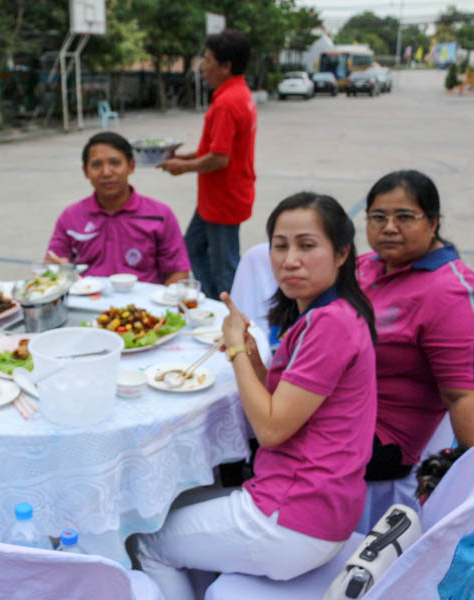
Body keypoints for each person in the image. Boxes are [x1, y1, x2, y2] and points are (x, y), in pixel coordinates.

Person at [135, 193, 377, 599]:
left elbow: (270, 428)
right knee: (168, 508)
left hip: (292, 518)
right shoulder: (334, 312)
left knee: (146, 540)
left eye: (307, 245)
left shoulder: (329, 325)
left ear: (341, 253)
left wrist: (234, 350)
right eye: (280, 246)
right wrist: (249, 353)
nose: (290, 260)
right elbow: (284, 401)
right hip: (324, 505)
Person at [357, 170, 474, 499]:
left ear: (433, 222)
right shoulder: (367, 266)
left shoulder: (452, 295)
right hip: (340, 406)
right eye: (378, 217)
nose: (389, 227)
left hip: (384, 435)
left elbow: (464, 397)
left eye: (405, 217)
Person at [157, 29, 257, 299]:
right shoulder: (238, 93)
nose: (203, 66)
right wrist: (181, 157)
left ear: (225, 66)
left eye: (208, 60)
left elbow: (220, 159)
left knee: (225, 266)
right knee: (192, 248)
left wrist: (182, 167)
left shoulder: (227, 103)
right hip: (216, 198)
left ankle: (230, 311)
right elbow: (214, 150)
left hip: (223, 199)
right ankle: (214, 301)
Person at [46, 131, 191, 285]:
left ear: (131, 166)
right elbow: (52, 263)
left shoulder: (160, 215)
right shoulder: (71, 216)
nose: (106, 172)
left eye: (115, 163)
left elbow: (178, 272)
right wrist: (56, 268)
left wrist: (165, 298)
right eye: (96, 165)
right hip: (86, 297)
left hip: (145, 300)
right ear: (85, 171)